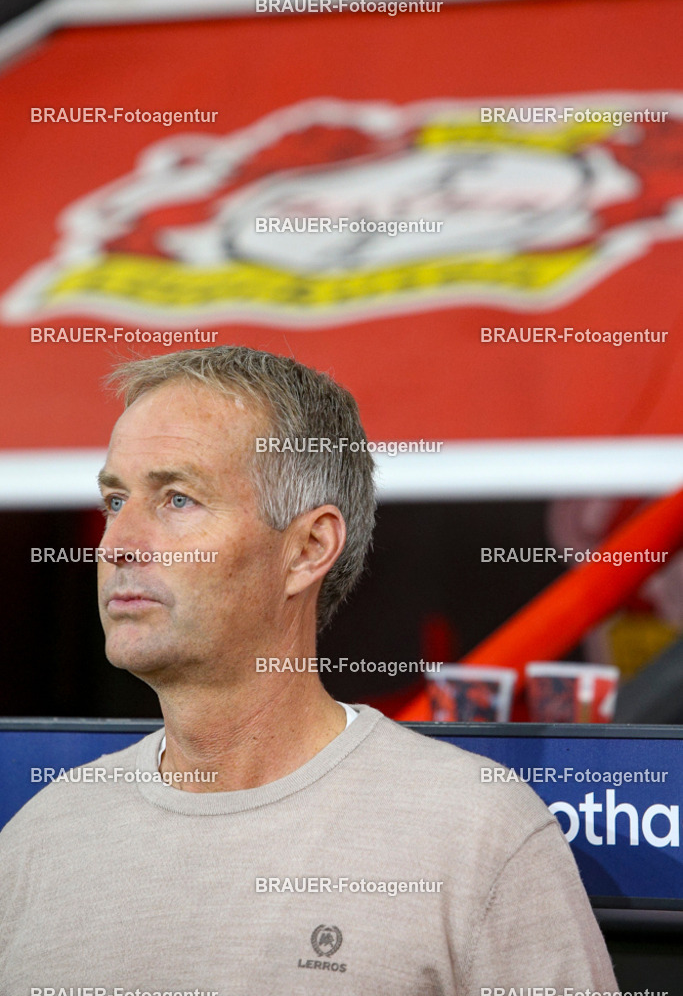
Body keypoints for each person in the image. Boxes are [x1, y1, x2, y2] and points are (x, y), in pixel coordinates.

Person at [0, 345, 618, 993]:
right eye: (115, 501)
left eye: (177, 499)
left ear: (309, 548)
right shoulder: (40, 838)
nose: (118, 544)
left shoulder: (476, 835)